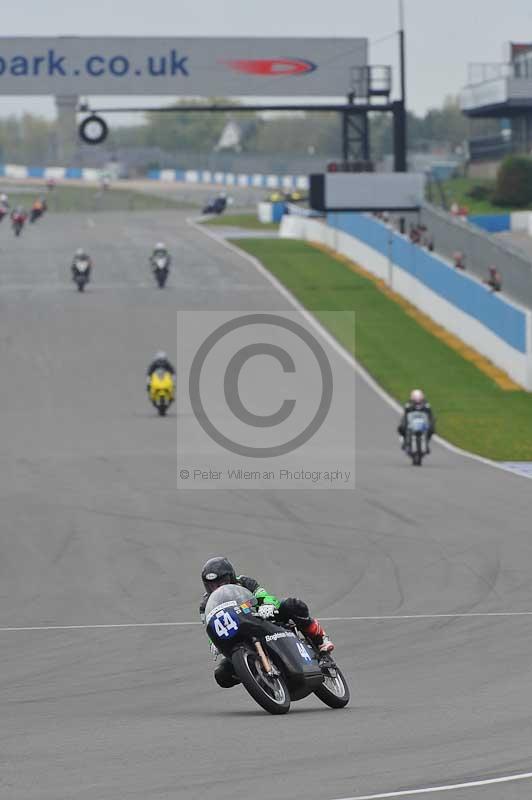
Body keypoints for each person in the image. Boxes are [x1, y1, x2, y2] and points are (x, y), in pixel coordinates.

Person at [200, 556, 334, 689]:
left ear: (231, 576)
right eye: (212, 585)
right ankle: (253, 672)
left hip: (261, 618)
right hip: (236, 634)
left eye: (221, 583)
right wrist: (213, 642)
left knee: (292, 604)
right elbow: (210, 626)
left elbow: (264, 595)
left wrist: (268, 604)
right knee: (221, 675)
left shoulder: (245, 582)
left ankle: (320, 640)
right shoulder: (205, 604)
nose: (217, 587)